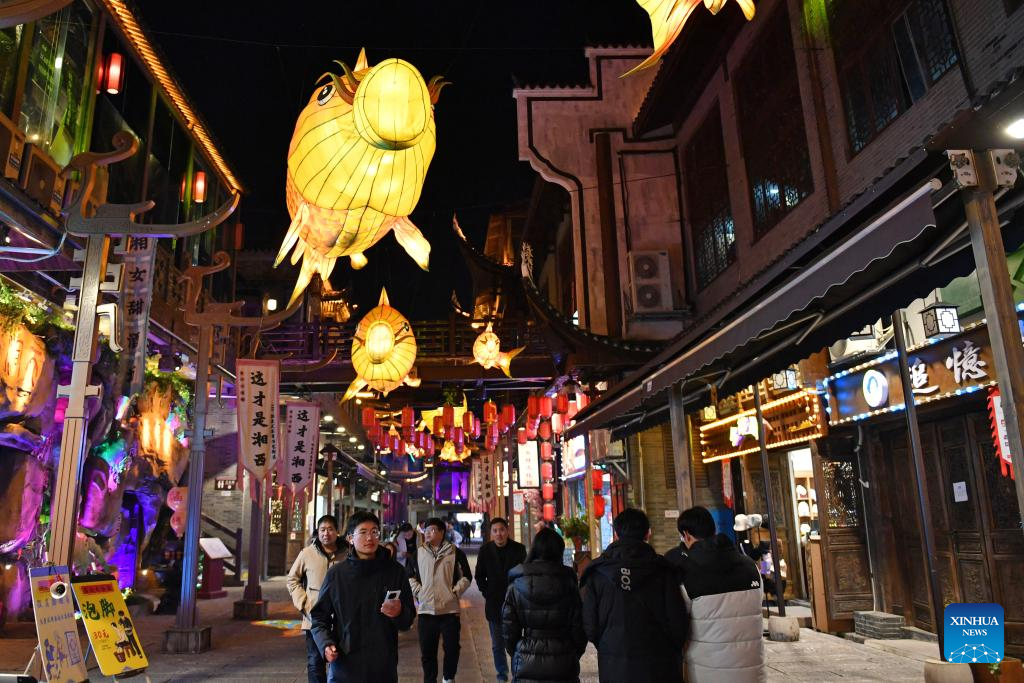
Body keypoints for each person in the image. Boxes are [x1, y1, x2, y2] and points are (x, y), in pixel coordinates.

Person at [580, 508, 688, 683]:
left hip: (613, 663)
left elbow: (590, 625)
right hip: (658, 662)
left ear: (616, 534)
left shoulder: (597, 572)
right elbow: (677, 621)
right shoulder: (663, 570)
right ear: (647, 534)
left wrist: (608, 644)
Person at [309, 511, 416, 683]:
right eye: (363, 532)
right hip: (344, 666)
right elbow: (319, 616)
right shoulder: (337, 574)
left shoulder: (395, 572)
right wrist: (325, 644)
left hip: (383, 666)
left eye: (374, 532)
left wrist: (399, 612)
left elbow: (408, 619)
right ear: (350, 538)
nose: (370, 538)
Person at [673, 506, 765, 683]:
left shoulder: (685, 573)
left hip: (706, 673)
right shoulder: (750, 567)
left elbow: (678, 623)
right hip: (752, 673)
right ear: (713, 530)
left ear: (686, 535)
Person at [502, 527, 587, 683]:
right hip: (563, 660)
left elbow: (509, 631)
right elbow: (579, 628)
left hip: (527, 661)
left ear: (534, 550)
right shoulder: (569, 584)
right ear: (559, 552)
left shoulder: (516, 585)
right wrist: (572, 652)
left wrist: (519, 652)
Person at [409, 517, 472, 683]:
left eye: (432, 530)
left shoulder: (455, 552)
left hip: (449, 611)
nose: (428, 533)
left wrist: (454, 593)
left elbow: (467, 575)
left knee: (452, 648)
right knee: (427, 652)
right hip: (426, 611)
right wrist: (419, 593)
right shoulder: (418, 553)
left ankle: (448, 677)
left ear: (442, 532)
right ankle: (430, 680)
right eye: (426, 530)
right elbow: (409, 576)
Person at [288, 514, 348, 683]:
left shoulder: (348, 554)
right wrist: (304, 604)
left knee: (342, 662)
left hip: (342, 620)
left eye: (330, 529)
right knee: (315, 663)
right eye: (322, 530)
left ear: (337, 531)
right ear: (318, 532)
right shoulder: (307, 553)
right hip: (313, 619)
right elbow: (292, 579)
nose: (326, 533)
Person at [475, 517, 527, 682]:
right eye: (495, 531)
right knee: (497, 644)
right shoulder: (485, 551)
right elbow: (479, 576)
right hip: (494, 603)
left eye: (502, 530)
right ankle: (502, 674)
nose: (499, 534)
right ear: (491, 533)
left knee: (516, 642)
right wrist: (487, 593)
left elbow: (525, 574)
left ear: (507, 531)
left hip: (515, 603)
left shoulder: (519, 549)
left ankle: (517, 673)